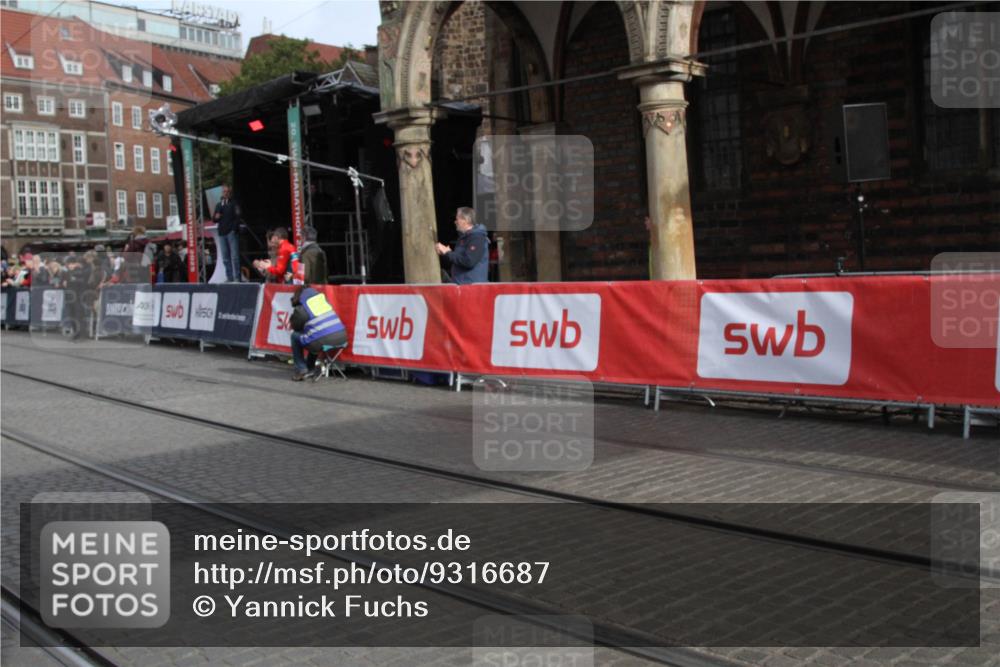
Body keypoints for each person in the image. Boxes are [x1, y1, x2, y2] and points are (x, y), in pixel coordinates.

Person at [288, 285, 347, 381]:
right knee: (312, 335)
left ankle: (302, 369)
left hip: (323, 340)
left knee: (295, 336)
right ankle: (310, 368)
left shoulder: (303, 307)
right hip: (342, 337)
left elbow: (295, 326)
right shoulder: (323, 301)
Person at [435, 206, 489, 284]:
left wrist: (448, 253)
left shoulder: (477, 238)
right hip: (462, 286)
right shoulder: (464, 238)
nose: (455, 222)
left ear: (465, 220)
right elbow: (458, 260)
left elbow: (469, 261)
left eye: (457, 219)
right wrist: (445, 253)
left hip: (472, 288)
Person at [213, 184, 242, 282]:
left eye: (227, 191)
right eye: (223, 191)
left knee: (234, 257)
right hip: (222, 233)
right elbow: (215, 218)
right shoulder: (219, 204)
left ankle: (237, 277)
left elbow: (238, 216)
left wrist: (233, 229)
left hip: (231, 232)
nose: (225, 193)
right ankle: (229, 277)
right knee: (225, 258)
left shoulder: (234, 203)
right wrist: (216, 217)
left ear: (230, 193)